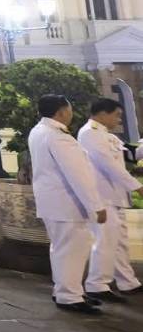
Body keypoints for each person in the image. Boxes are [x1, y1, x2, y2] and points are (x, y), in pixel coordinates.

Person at [30, 94, 108, 314]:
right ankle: (70, 296)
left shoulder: (39, 131)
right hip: (67, 204)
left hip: (52, 203)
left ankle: (66, 290)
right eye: (69, 109)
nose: (71, 114)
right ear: (62, 112)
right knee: (72, 250)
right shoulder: (59, 137)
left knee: (61, 248)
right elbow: (79, 175)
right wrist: (96, 206)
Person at [80, 98, 141, 301]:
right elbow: (108, 165)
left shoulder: (106, 135)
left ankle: (127, 282)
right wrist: (137, 186)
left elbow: (130, 155)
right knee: (105, 242)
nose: (119, 120)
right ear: (103, 114)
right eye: (117, 115)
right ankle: (97, 284)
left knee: (119, 242)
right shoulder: (89, 133)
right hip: (102, 196)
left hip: (115, 197)